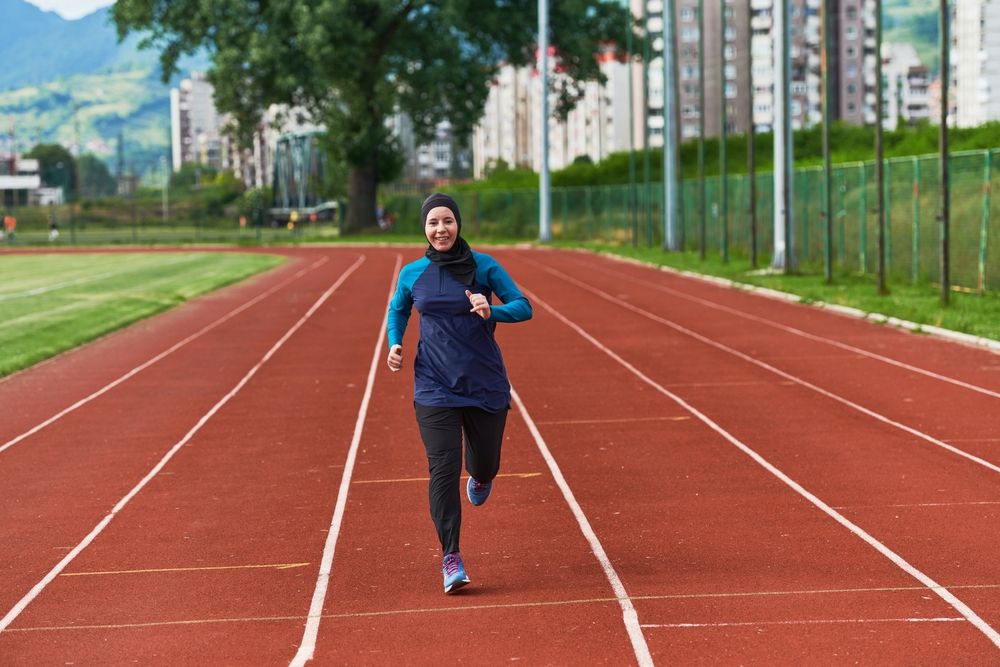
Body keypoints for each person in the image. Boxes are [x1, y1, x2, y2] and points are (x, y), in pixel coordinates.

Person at [386, 193, 532, 594]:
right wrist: (395, 343)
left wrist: (492, 310)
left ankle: (482, 476)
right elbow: (397, 309)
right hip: (433, 386)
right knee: (443, 470)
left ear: (458, 224)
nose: (440, 229)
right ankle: (450, 556)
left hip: (483, 382)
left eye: (447, 221)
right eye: (433, 222)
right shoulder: (413, 273)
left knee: (484, 464)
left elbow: (524, 306)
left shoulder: (484, 266)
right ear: (424, 229)